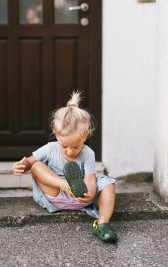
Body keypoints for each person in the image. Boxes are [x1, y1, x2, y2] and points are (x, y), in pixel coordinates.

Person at [12, 91, 117, 243]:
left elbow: (89, 179)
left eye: (76, 147)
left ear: (85, 137)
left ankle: (102, 223)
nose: (70, 151)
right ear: (56, 135)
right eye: (65, 146)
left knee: (107, 183)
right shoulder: (49, 148)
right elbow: (29, 161)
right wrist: (21, 166)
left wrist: (89, 193)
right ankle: (65, 184)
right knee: (37, 166)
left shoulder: (88, 153)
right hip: (56, 195)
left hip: (81, 196)